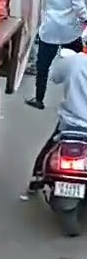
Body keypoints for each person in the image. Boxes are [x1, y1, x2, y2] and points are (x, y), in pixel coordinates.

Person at [25, 47, 87, 199]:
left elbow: (54, 76)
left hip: (71, 124)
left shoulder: (75, 61)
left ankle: (36, 177)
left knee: (49, 147)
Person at [28, 0, 87, 109]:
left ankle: (39, 99)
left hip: (49, 30)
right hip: (70, 32)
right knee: (81, 63)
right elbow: (79, 9)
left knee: (42, 67)